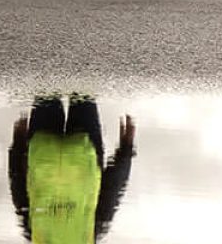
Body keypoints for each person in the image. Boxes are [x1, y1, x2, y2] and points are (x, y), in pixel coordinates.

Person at [8, 96, 135, 244]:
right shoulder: (39, 238)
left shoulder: (87, 238)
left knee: (83, 93)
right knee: (47, 89)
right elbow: (19, 194)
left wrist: (125, 150)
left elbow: (109, 194)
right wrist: (17, 146)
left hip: (83, 155)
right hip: (43, 153)